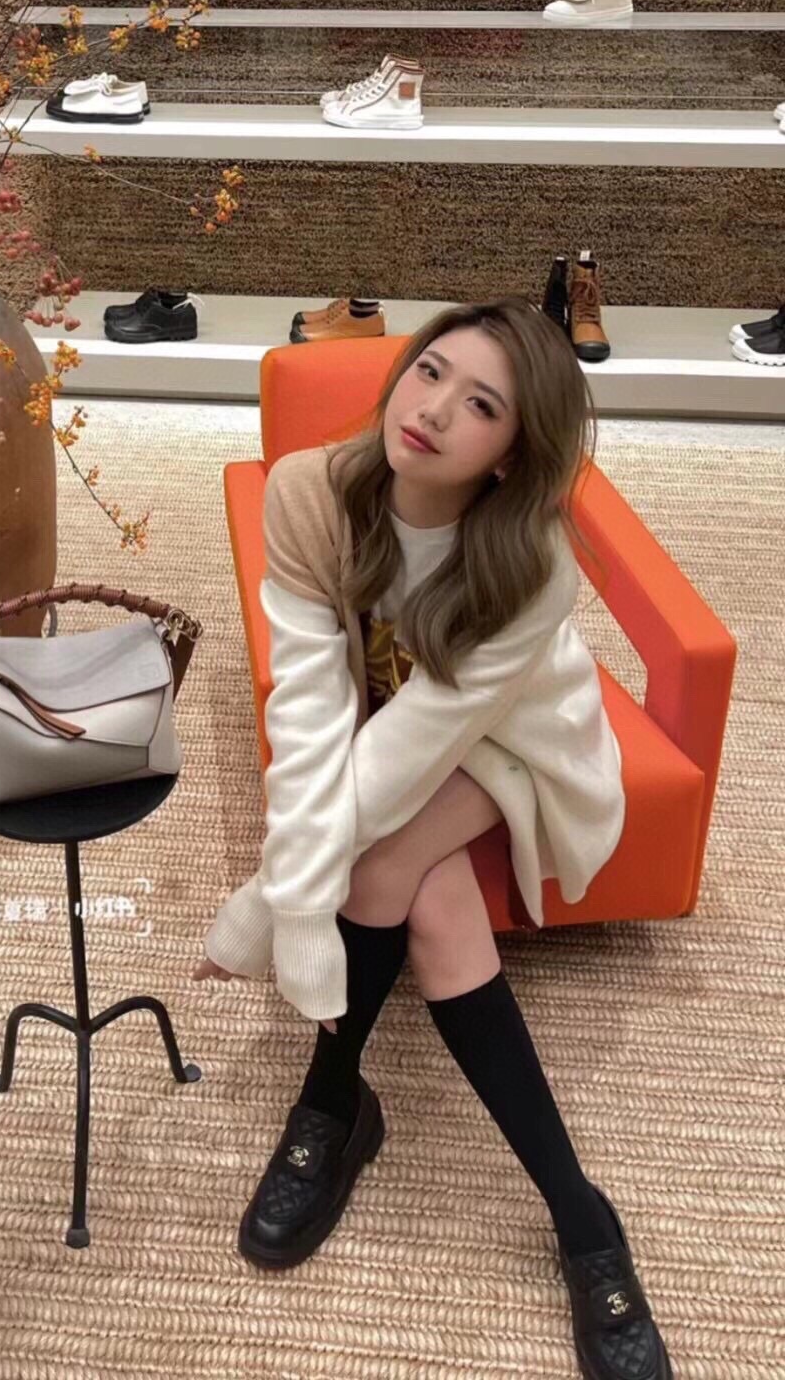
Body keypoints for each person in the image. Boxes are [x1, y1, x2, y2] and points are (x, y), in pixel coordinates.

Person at [192, 296, 673, 1380]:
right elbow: (312, 707)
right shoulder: (310, 493)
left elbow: (418, 747)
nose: (436, 409)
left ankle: (332, 1105)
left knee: (380, 864)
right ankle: (580, 1216)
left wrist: (266, 906)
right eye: (431, 371)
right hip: (394, 723)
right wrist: (285, 893)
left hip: (516, 742)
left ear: (510, 455)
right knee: (427, 901)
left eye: (483, 405)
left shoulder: (528, 562)